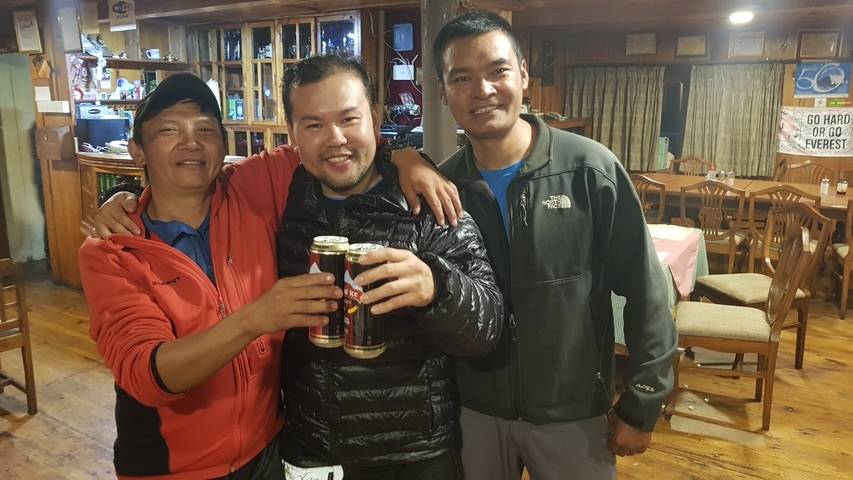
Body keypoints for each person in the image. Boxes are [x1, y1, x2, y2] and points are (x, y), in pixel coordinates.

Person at [82, 73, 462, 479]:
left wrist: (406, 156)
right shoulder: (113, 250)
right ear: (136, 150)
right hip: (172, 468)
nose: (190, 143)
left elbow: (336, 147)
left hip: (268, 453)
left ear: (223, 145)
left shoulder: (253, 186)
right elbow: (146, 375)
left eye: (205, 129)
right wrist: (256, 318)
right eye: (168, 131)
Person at [432, 11, 678, 480]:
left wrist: (644, 399)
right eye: (461, 78)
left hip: (575, 413)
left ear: (523, 75)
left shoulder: (590, 170)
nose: (482, 90)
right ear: (443, 92)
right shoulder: (441, 188)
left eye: (498, 71)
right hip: (473, 413)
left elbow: (647, 289)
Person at [275, 54, 502, 479]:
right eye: (314, 125)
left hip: (414, 454)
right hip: (311, 449)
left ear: (375, 118)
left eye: (349, 119)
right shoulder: (284, 197)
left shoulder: (428, 201)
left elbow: (487, 328)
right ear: (292, 133)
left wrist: (437, 287)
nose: (335, 139)